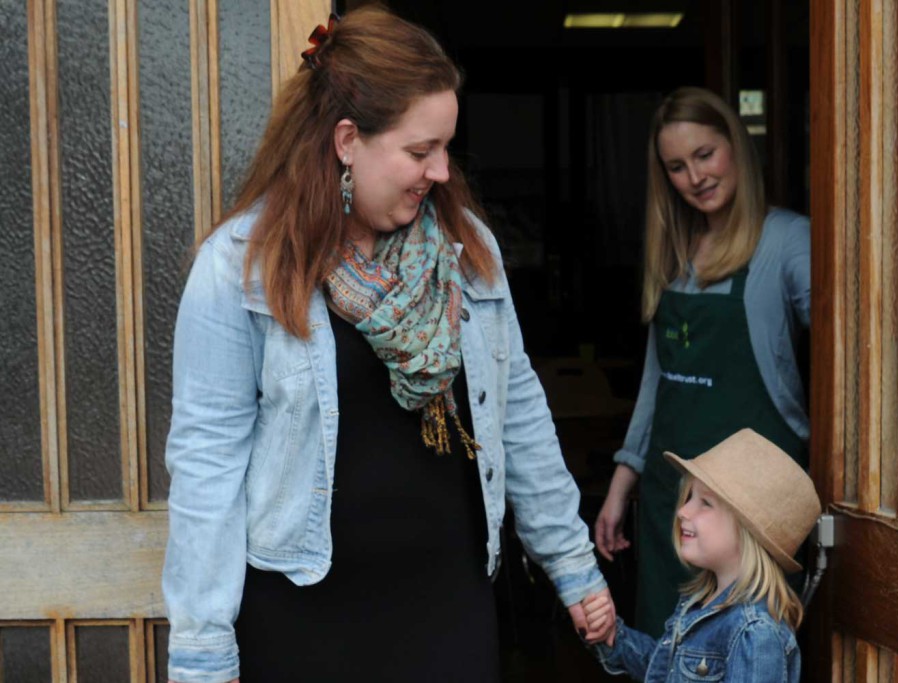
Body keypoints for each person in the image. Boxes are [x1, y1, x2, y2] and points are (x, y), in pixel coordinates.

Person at [161, 8, 613, 683]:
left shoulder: (468, 253)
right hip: (302, 622)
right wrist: (202, 647)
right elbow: (206, 463)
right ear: (347, 140)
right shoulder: (240, 269)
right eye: (419, 150)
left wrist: (574, 567)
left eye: (445, 148)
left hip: (447, 611)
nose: (439, 171)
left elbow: (518, 414)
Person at [594, 86, 811, 636]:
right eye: (677, 166)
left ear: (735, 145)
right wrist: (623, 482)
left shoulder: (786, 240)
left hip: (752, 506)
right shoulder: (675, 249)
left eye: (705, 154)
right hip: (675, 502)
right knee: (664, 650)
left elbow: (849, 353)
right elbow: (655, 379)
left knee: (744, 648)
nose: (695, 176)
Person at [583, 429, 820, 682]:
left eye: (705, 503)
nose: (683, 510)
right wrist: (612, 635)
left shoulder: (756, 632)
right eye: (689, 497)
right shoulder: (701, 601)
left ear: (748, 532)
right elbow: (667, 671)